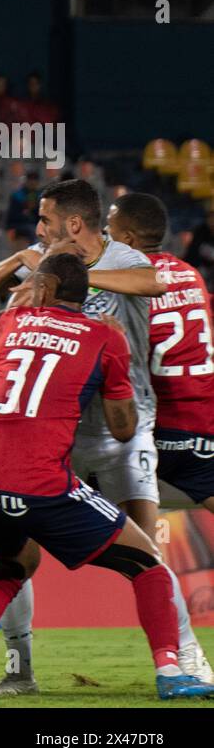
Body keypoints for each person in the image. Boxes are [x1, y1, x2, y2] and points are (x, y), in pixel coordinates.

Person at [0, 178, 211, 690]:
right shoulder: (41, 256)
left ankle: (188, 661)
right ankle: (19, 670)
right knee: (19, 553)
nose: (39, 228)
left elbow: (154, 285)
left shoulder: (125, 258)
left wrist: (72, 276)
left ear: (73, 222)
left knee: (147, 549)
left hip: (127, 430)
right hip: (61, 439)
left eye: (44, 218)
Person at [108, 193, 214, 519]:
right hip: (205, 428)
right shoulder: (190, 273)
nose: (104, 236)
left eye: (109, 228)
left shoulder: (127, 288)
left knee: (57, 488)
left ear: (126, 239)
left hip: (159, 432)